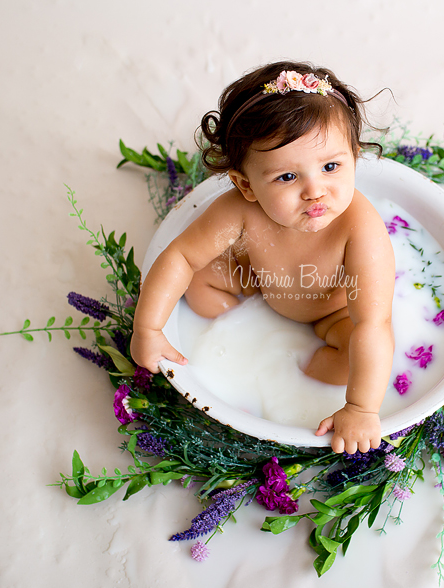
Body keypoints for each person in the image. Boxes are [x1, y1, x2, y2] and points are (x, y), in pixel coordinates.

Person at [130, 61, 395, 454]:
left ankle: (300, 364)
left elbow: (372, 323)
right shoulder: (239, 210)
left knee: (346, 363)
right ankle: (246, 335)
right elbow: (182, 257)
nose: (315, 191)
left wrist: (360, 408)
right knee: (199, 286)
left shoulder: (360, 228)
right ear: (246, 184)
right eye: (287, 177)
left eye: (331, 166)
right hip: (260, 282)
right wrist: (148, 329)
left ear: (354, 157)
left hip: (333, 313)